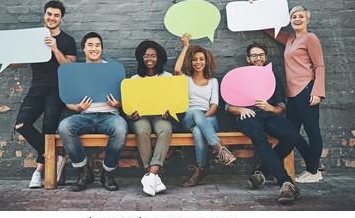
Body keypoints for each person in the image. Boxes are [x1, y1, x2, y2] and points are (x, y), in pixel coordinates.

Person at [0, 0, 77, 188]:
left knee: (49, 129)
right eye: (49, 14)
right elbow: (19, 61)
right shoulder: (35, 37)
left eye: (56, 15)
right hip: (37, 87)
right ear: (44, 15)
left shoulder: (67, 40)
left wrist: (55, 48)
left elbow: (70, 67)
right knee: (21, 124)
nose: (52, 18)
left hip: (58, 88)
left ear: (62, 18)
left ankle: (38, 172)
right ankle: (56, 156)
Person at [226, 42, 303, 204]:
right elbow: (227, 106)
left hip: (268, 114)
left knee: (293, 136)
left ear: (265, 58)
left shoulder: (272, 77)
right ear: (248, 58)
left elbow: (281, 107)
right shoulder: (239, 76)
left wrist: (270, 108)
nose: (258, 58)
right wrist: (240, 110)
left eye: (261, 55)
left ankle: (262, 173)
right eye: (254, 55)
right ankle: (286, 183)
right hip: (247, 114)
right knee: (258, 136)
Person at [57, 32, 128, 192]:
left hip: (109, 116)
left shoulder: (112, 69)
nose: (94, 48)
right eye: (90, 45)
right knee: (64, 127)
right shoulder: (77, 71)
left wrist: (118, 103)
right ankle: (84, 171)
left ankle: (107, 173)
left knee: (120, 128)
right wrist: (76, 108)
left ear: (101, 49)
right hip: (85, 117)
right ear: (83, 48)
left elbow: (125, 97)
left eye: (97, 45)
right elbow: (69, 100)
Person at [264, 4, 325, 183]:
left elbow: (319, 65)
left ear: (307, 19)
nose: (297, 19)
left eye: (300, 16)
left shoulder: (310, 38)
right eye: (293, 17)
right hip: (293, 94)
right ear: (289, 21)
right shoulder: (290, 39)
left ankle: (312, 172)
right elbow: (269, 30)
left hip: (307, 90)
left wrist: (318, 92)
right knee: (292, 133)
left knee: (312, 131)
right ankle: (314, 167)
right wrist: (256, 9)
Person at [174, 34, 236, 187]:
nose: (198, 62)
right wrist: (186, 47)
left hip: (208, 117)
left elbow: (214, 106)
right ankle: (220, 149)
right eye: (195, 59)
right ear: (190, 61)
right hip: (189, 117)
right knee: (195, 113)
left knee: (198, 130)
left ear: (206, 61)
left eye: (201, 59)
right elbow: (176, 70)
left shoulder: (213, 81)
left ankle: (200, 169)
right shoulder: (187, 79)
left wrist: (201, 121)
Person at [128, 40, 173, 196]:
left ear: (158, 58)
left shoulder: (168, 77)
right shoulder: (135, 79)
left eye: (153, 56)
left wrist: (170, 111)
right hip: (142, 117)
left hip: (160, 116)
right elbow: (130, 104)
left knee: (166, 130)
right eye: (146, 56)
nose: (149, 59)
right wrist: (131, 114)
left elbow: (173, 100)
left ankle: (151, 174)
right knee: (141, 131)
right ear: (141, 58)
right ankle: (154, 177)